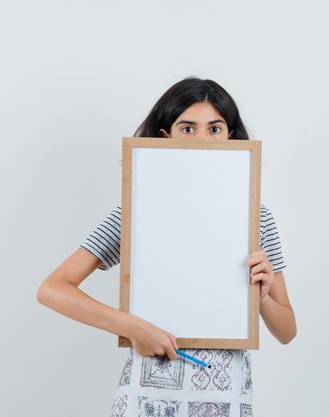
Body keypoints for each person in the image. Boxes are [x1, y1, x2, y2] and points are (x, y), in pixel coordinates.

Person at [37, 77, 296, 417]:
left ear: (231, 137)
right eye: (187, 128)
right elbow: (52, 289)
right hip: (147, 398)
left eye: (215, 128)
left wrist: (261, 296)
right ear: (165, 137)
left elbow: (287, 330)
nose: (202, 139)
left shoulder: (256, 218)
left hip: (227, 399)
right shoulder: (136, 213)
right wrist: (133, 328)